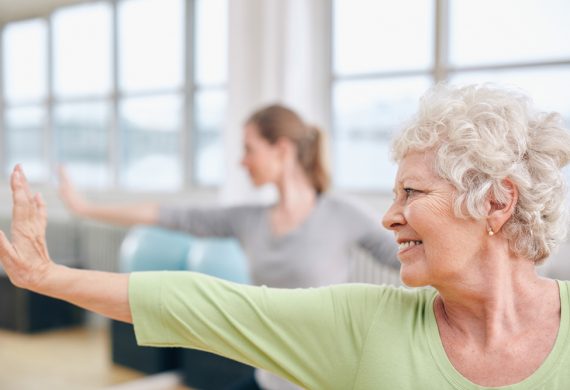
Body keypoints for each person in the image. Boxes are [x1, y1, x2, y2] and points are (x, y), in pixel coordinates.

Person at [2, 83, 570, 389]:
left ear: (496, 202)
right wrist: (50, 273)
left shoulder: (341, 217)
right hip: (272, 370)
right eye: (393, 195)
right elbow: (203, 298)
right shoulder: (365, 323)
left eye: (411, 195)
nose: (389, 216)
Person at [58, 104, 400, 389]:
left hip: (324, 378)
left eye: (249, 149)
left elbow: (406, 258)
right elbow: (170, 215)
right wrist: (86, 208)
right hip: (270, 376)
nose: (241, 160)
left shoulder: (344, 214)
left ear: (281, 149)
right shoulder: (248, 219)